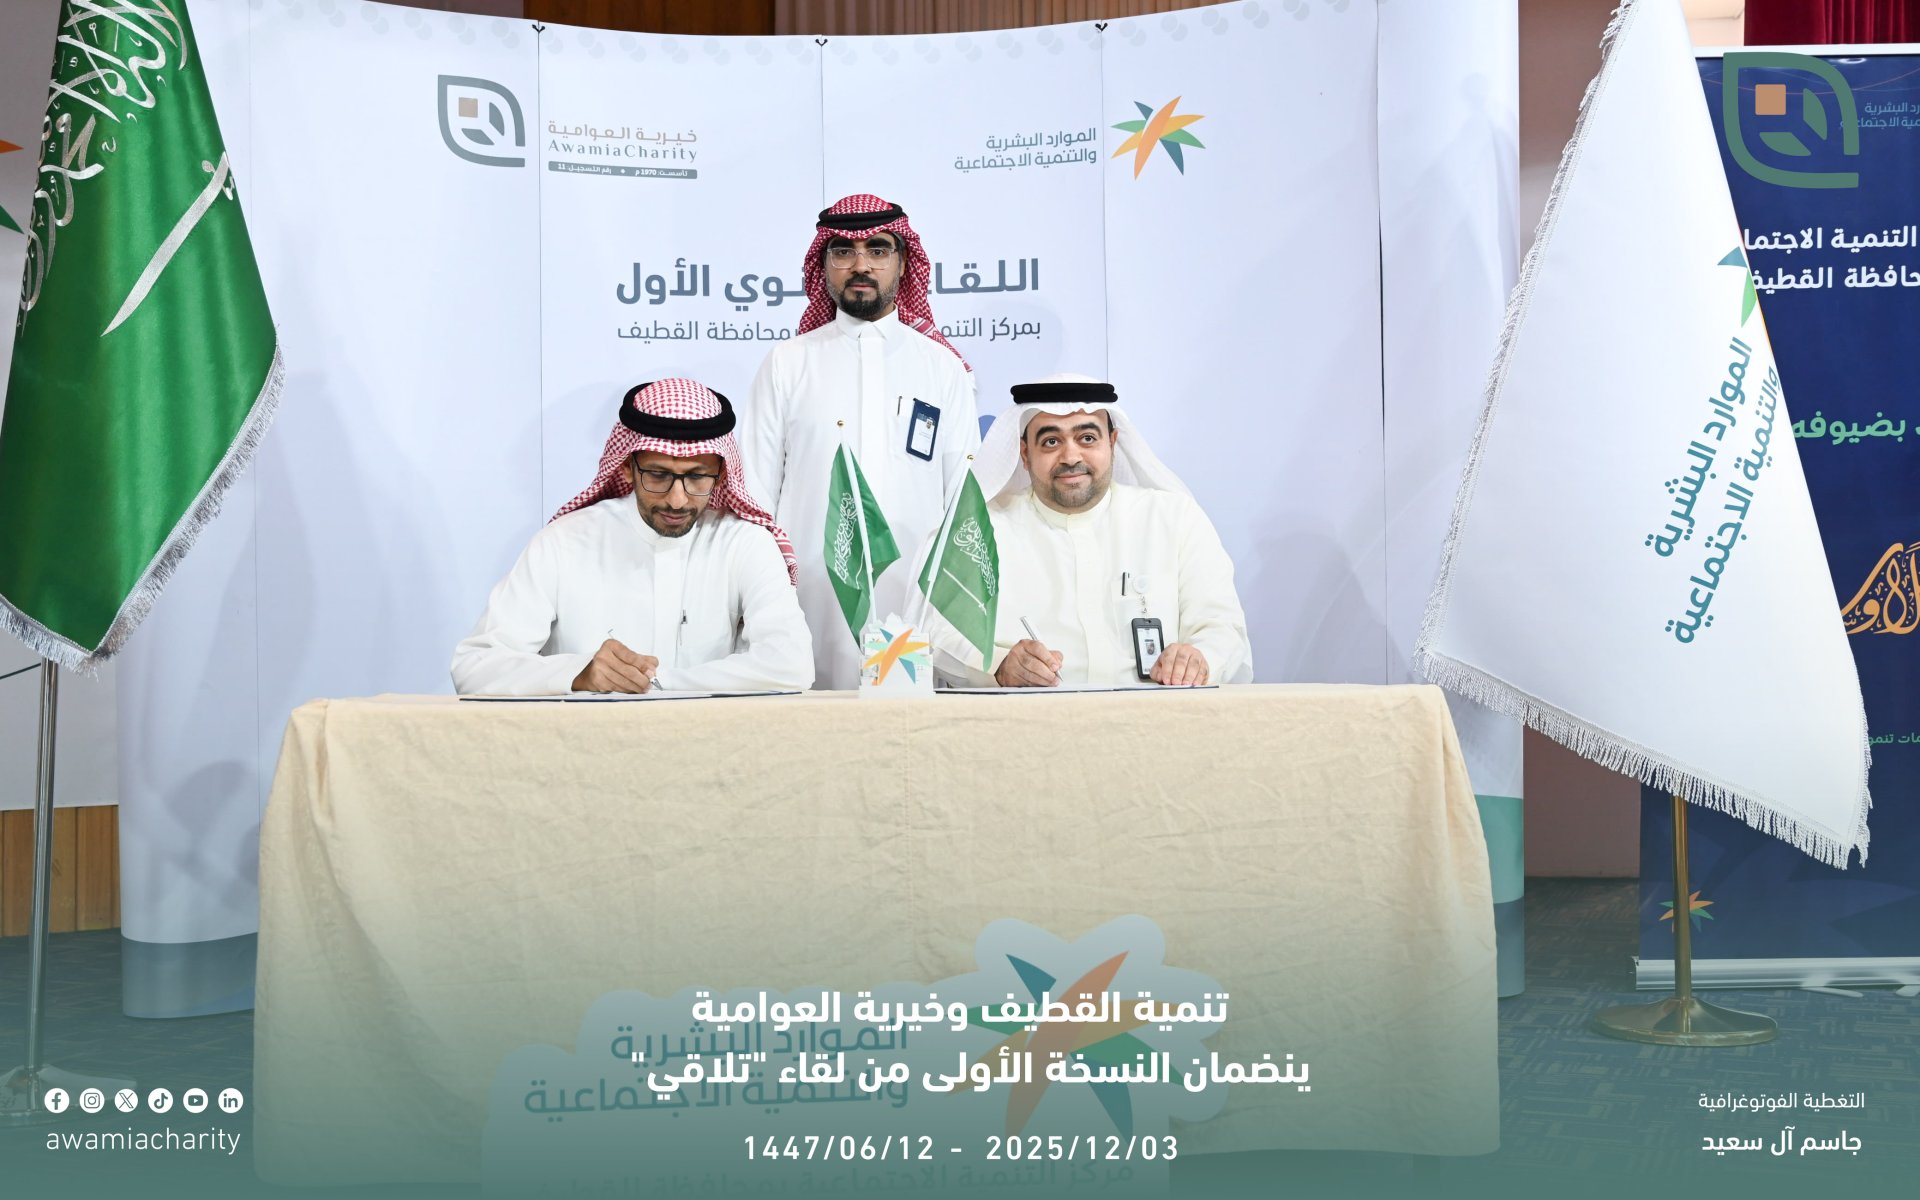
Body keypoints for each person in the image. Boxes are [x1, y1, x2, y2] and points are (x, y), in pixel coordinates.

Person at [742, 193, 979, 688]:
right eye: (844, 251)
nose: (861, 265)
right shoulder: (788, 363)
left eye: (878, 249)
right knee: (810, 721)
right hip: (809, 598)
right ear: (824, 264)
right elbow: (756, 498)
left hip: (915, 602)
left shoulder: (942, 368)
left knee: (908, 728)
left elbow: (963, 499)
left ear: (903, 262)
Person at [451, 378, 812, 695]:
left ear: (721, 473)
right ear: (626, 466)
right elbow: (475, 665)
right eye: (658, 475)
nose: (677, 499)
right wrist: (579, 674)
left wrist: (657, 683)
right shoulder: (564, 542)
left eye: (697, 477)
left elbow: (790, 664)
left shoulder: (745, 544)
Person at [926, 374, 1252, 688]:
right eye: (1051, 442)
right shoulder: (980, 533)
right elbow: (936, 632)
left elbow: (1222, 626)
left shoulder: (1174, 518)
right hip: (1029, 718)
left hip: (1153, 716)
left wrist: (1199, 659)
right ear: (1025, 454)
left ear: (1112, 443)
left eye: (1087, 438)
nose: (1070, 457)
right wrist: (998, 666)